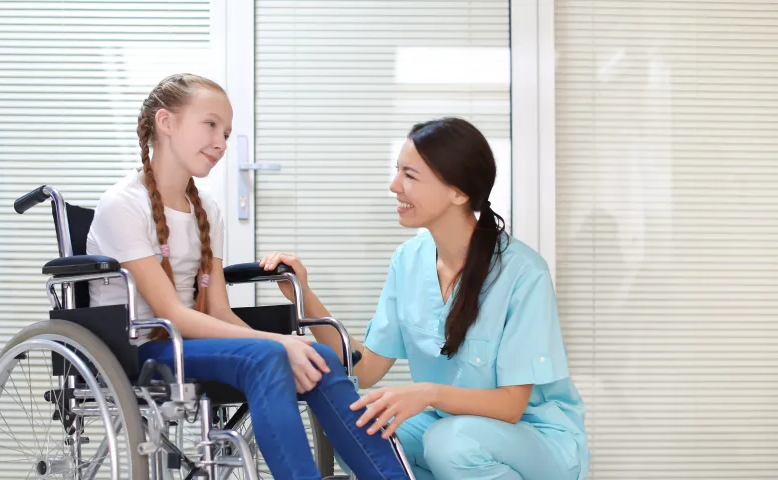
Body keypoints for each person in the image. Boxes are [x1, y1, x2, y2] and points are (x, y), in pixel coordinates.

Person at [85, 73, 409, 480]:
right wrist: (279, 343)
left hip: (190, 347)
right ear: (166, 123)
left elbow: (218, 310)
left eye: (227, 131)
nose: (221, 141)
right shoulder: (122, 205)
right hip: (141, 350)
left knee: (321, 357)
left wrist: (291, 345)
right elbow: (173, 315)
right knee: (270, 356)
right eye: (210, 124)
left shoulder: (207, 209)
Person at [259, 117, 590, 480]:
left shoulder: (524, 273)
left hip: (536, 440)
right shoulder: (408, 261)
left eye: (410, 176)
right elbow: (366, 368)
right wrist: (303, 295)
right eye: (397, 171)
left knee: (450, 444)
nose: (394, 186)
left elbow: (512, 405)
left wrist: (427, 394)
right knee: (363, 433)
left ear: (458, 192)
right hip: (449, 427)